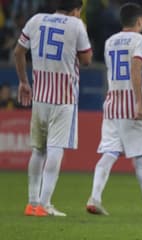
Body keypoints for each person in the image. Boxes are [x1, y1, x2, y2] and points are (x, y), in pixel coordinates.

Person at [85, 2, 142, 216]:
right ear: (140, 21)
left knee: (109, 153)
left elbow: (121, 72)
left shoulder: (110, 42)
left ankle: (94, 197)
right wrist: (140, 103)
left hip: (113, 105)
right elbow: (134, 67)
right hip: (132, 106)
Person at [14, 0, 92, 216]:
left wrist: (23, 82)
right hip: (63, 98)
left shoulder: (36, 20)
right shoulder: (76, 25)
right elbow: (86, 59)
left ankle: (32, 203)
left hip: (39, 97)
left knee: (38, 150)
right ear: (77, 10)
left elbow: (18, 52)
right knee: (56, 148)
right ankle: (45, 204)